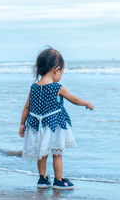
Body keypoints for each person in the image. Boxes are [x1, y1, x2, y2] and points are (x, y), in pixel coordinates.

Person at [18, 48, 94, 190]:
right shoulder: (56, 87)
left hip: (36, 125)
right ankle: (58, 181)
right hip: (53, 127)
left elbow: (26, 107)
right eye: (62, 72)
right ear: (56, 69)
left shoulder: (34, 87)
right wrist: (86, 103)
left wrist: (22, 124)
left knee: (42, 154)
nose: (61, 75)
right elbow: (75, 99)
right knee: (57, 154)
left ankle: (42, 179)